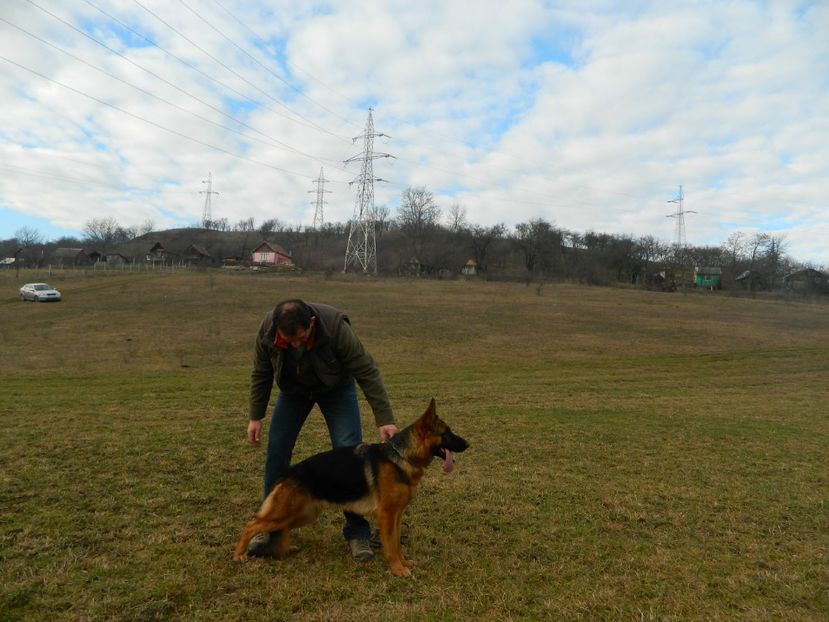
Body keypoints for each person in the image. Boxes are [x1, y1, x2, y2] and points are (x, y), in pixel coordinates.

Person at [245, 299, 398, 561]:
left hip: (336, 390)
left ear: (311, 324)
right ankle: (270, 527)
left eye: (300, 338)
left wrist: (384, 418)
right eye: (288, 340)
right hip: (294, 392)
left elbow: (366, 371)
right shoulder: (268, 329)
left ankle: (357, 533)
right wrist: (255, 416)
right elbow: (261, 372)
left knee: (349, 453)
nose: (295, 345)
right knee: (277, 452)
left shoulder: (336, 327)